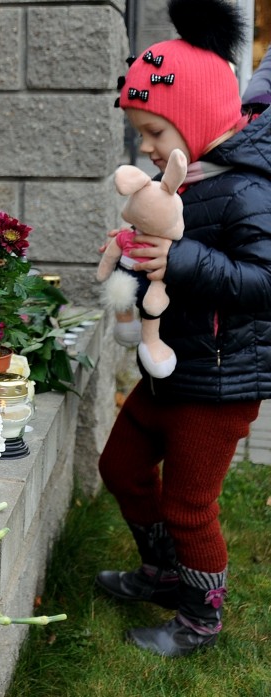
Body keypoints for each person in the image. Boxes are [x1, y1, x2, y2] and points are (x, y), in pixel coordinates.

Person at [97, 0, 271, 657]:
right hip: (173, 365)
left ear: (195, 121)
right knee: (121, 464)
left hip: (222, 381)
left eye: (153, 133)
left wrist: (183, 260)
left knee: (190, 504)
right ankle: (164, 571)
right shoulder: (186, 182)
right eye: (140, 133)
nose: (144, 148)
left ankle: (202, 615)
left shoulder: (249, 190)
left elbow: (264, 283)